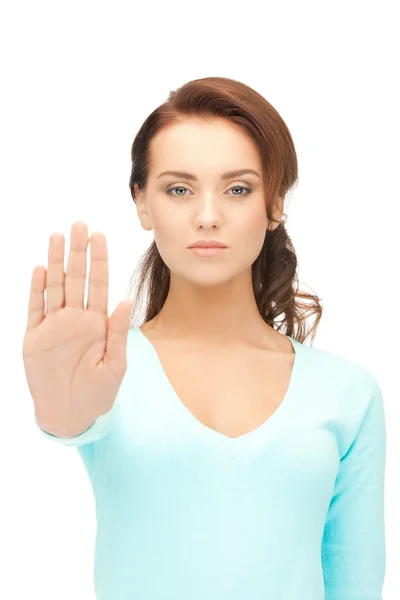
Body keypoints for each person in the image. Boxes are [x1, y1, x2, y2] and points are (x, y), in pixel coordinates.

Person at [22, 76, 386, 599]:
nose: (208, 216)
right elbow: (71, 419)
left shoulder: (347, 394)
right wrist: (59, 410)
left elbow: (354, 586)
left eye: (238, 189)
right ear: (142, 203)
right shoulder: (107, 369)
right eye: (179, 189)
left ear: (275, 203)